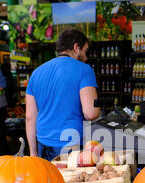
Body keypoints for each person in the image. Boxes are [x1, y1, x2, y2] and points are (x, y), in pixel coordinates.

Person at [25, 29, 100, 161]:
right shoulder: (84, 70)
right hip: (72, 145)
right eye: (85, 51)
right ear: (76, 47)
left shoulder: (36, 73)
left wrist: (33, 152)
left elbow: (30, 117)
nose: (86, 57)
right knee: (71, 181)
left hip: (43, 144)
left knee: (48, 181)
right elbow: (91, 113)